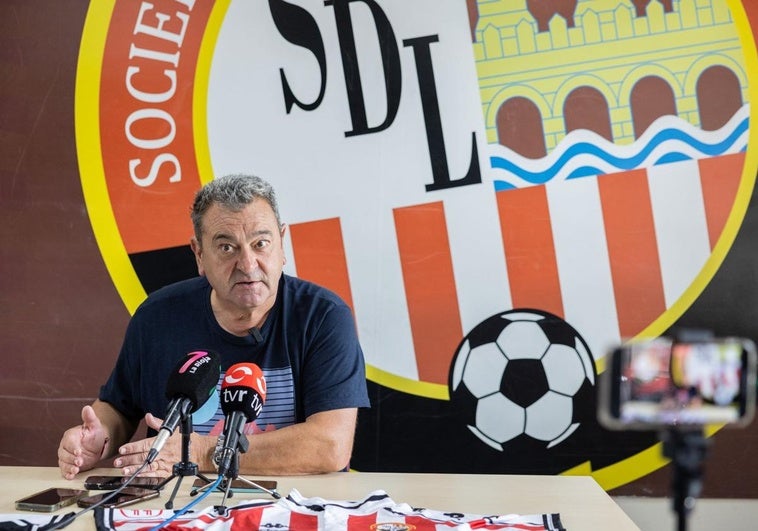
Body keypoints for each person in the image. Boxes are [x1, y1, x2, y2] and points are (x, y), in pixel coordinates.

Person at [58, 174, 370, 479]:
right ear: (199, 254)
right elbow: (119, 408)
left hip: (289, 503)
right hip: (175, 502)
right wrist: (97, 438)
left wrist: (198, 453)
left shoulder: (323, 317)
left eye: (261, 243)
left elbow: (330, 446)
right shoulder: (157, 317)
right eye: (226, 248)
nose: (248, 264)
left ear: (282, 245)